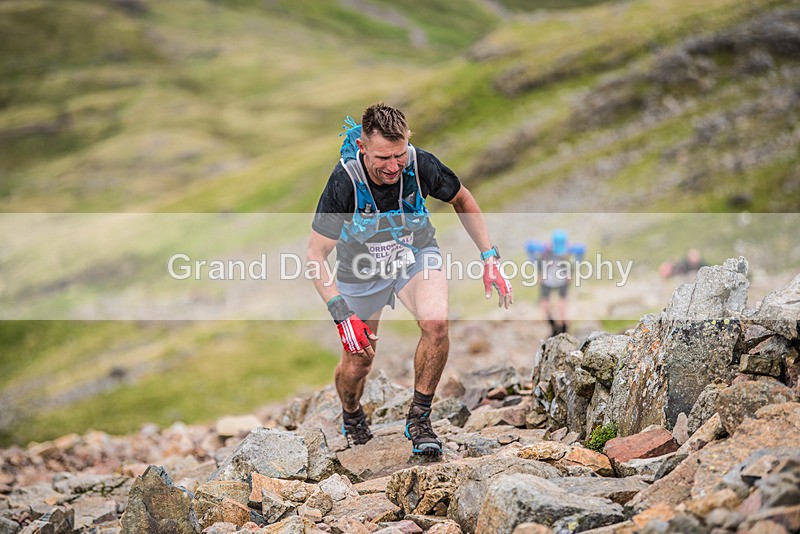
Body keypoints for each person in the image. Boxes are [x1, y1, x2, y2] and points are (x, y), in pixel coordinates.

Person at [306, 103, 512, 456]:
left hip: (413, 255)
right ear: (362, 148)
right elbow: (315, 255)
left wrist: (489, 256)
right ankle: (352, 413)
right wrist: (341, 314)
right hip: (360, 270)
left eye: (398, 155)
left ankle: (419, 418)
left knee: (436, 324)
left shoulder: (420, 164)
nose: (392, 167)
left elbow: (462, 199)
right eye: (383, 158)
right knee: (358, 364)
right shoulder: (345, 180)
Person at [526, 229, 584, 337]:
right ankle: (553, 328)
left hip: (562, 280)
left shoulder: (568, 248)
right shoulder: (545, 249)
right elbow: (529, 247)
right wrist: (539, 270)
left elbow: (581, 249)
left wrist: (572, 270)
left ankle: (564, 330)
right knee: (544, 306)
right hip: (547, 280)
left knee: (562, 306)